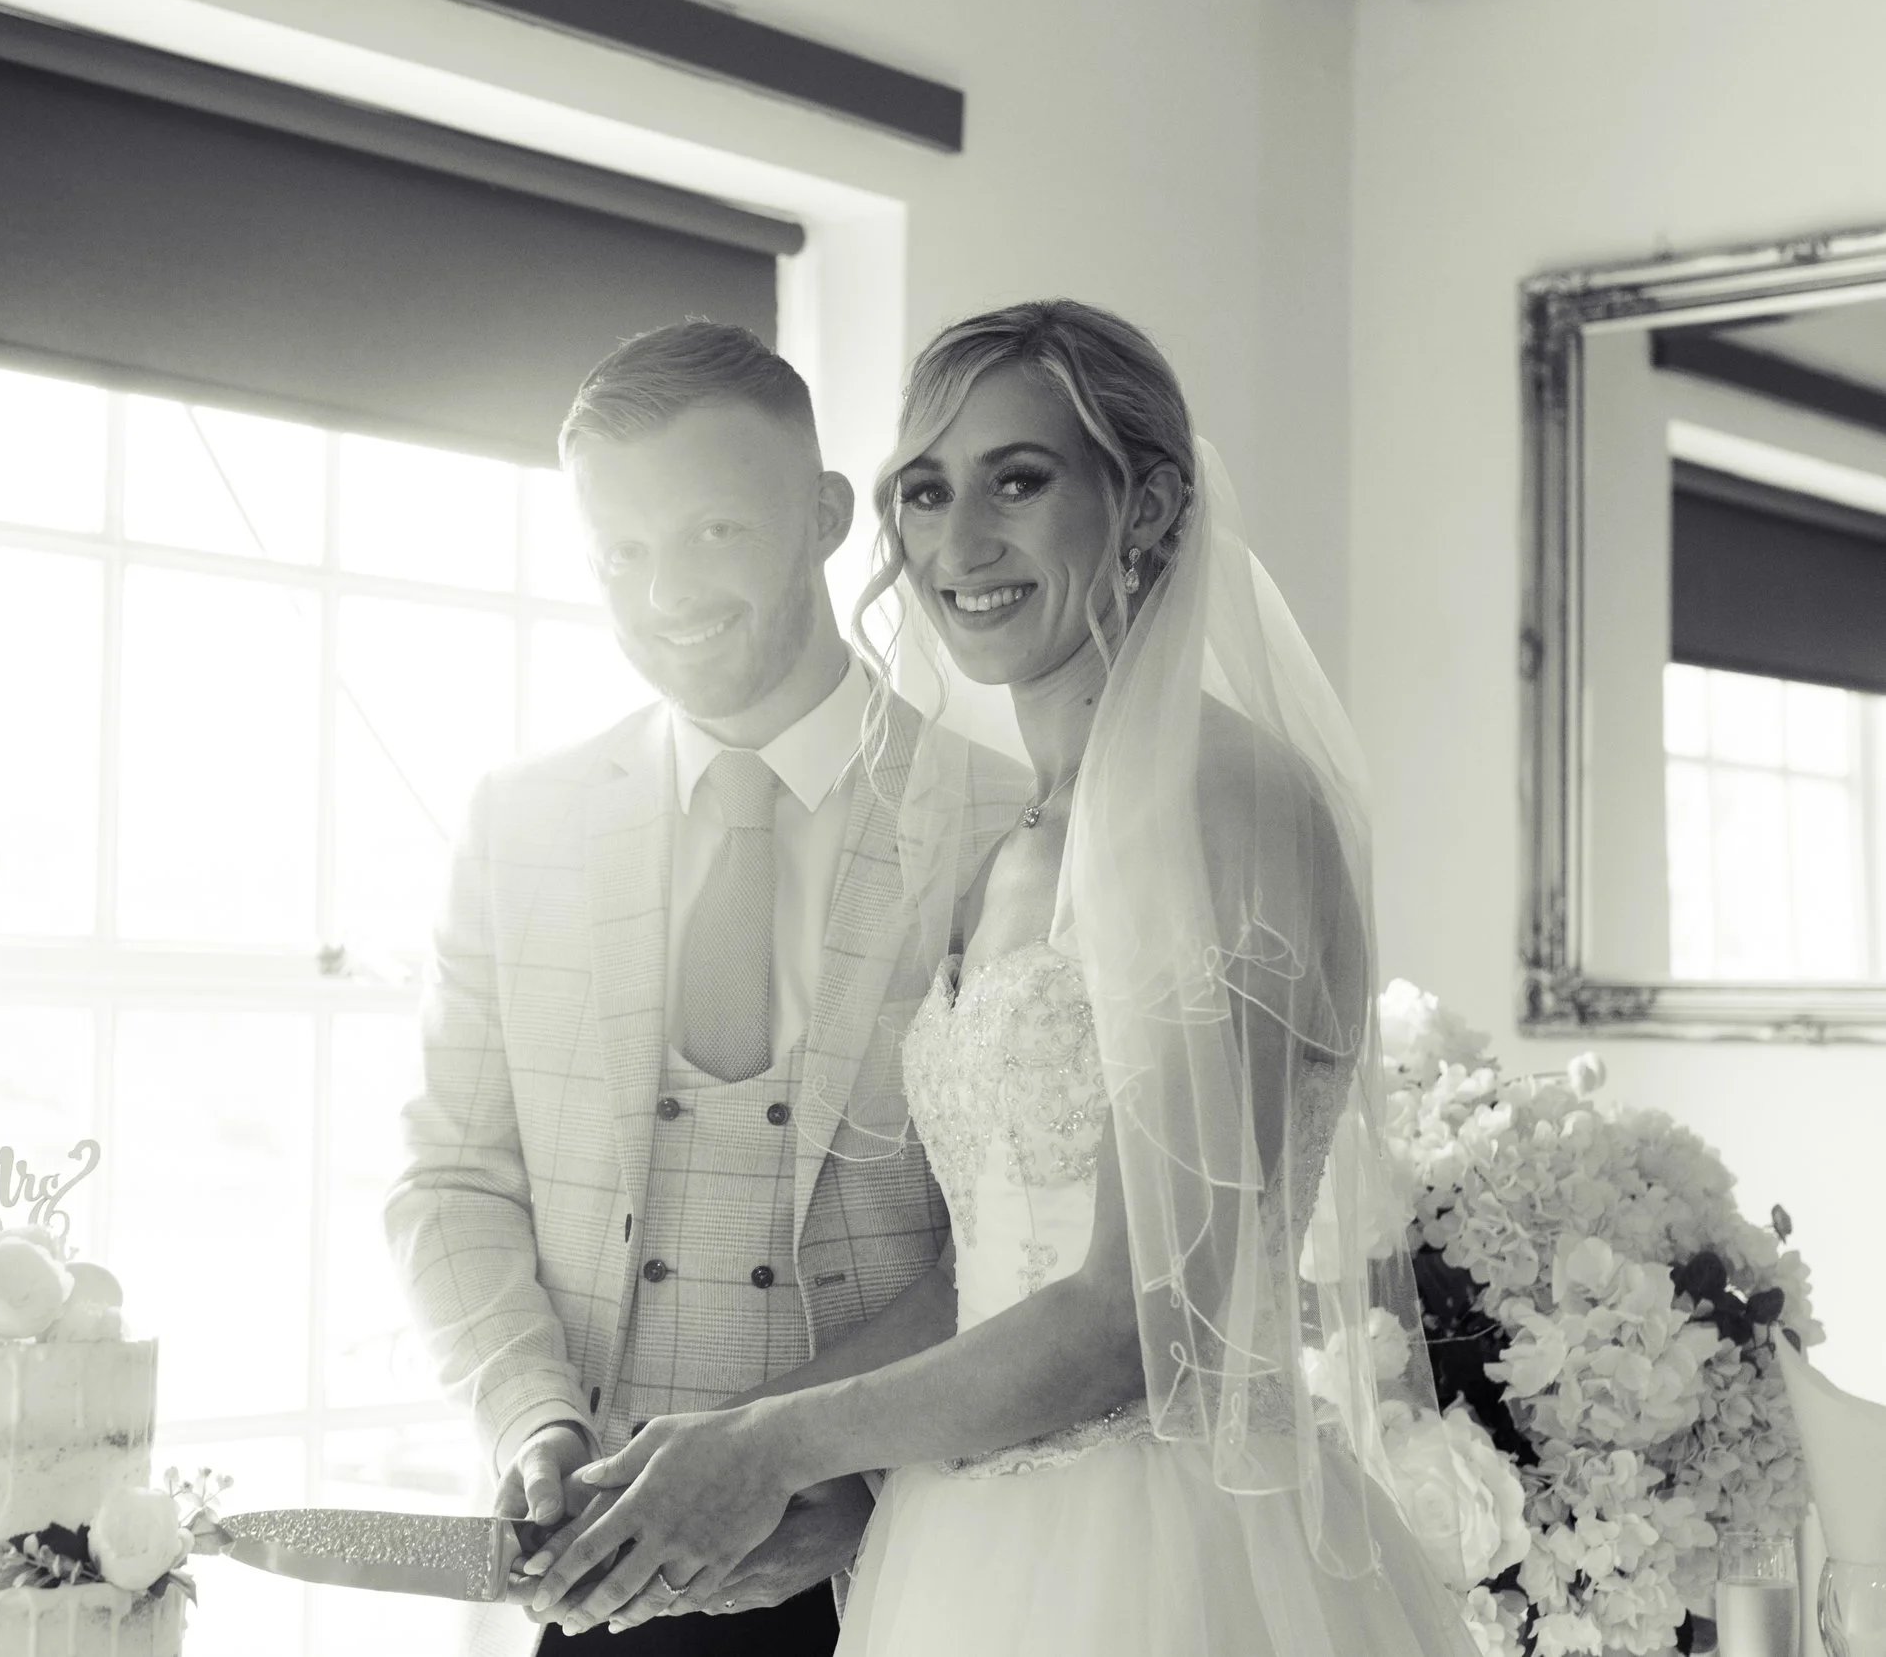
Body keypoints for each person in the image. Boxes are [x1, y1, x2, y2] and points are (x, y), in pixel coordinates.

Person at [519, 301, 1481, 1656]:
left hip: (1172, 1563)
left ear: (1146, 507)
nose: (959, 543)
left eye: (1018, 480)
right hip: (965, 1555)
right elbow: (986, 1274)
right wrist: (737, 1463)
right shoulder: (1017, 839)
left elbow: (1141, 1318)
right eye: (927, 492)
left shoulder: (1225, 801)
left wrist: (771, 1438)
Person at [384, 320, 1029, 1656]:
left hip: (907, 1570)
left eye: (712, 532)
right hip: (604, 1578)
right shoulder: (521, 824)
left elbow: (1027, 1241)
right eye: (621, 550)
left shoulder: (1000, 826)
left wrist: (831, 1469)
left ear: (826, 514)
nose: (665, 588)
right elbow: (447, 1183)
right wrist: (535, 1420)